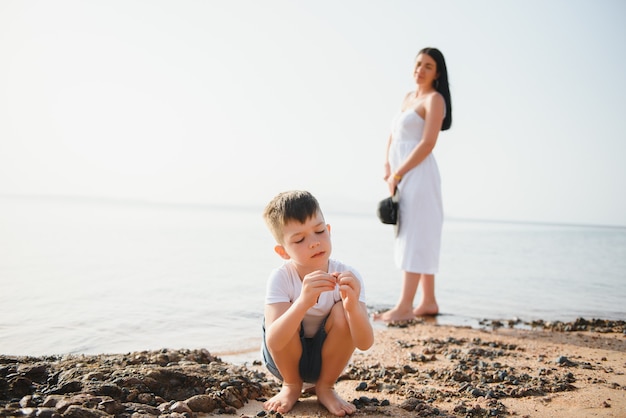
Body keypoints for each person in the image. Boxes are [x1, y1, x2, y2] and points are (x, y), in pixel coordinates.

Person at [261, 190, 374, 416]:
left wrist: (352, 307)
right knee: (282, 318)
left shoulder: (348, 275)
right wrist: (302, 302)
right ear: (283, 252)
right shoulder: (282, 278)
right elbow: (274, 340)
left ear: (329, 231)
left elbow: (365, 343)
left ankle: (325, 388)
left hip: (327, 363)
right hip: (283, 363)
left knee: (343, 311)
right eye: (300, 239)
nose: (314, 243)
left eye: (320, 231)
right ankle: (291, 387)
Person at [373, 47, 452, 323]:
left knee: (417, 236)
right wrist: (387, 167)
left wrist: (399, 174)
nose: (420, 69)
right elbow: (392, 136)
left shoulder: (435, 100)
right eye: (418, 63)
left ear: (437, 73)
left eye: (428, 66)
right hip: (400, 176)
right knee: (413, 232)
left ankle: (404, 306)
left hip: (419, 175)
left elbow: (427, 144)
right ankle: (428, 301)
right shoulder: (408, 98)